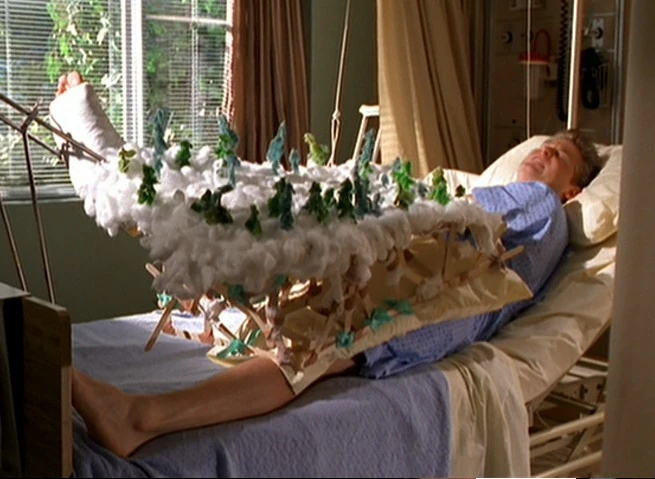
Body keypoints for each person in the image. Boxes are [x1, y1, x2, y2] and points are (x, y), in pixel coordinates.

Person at [55, 72, 602, 458]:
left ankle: (140, 417)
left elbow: (476, 253)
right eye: (543, 145)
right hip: (423, 275)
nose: (541, 153)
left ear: (573, 189)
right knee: (279, 236)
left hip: (437, 296)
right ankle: (129, 176)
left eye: (558, 156)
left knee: (317, 344)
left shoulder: (545, 208)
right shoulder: (500, 194)